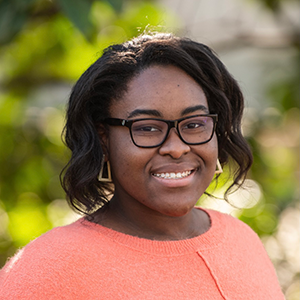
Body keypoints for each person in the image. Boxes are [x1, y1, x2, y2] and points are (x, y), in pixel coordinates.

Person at [0, 33, 284, 299]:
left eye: (195, 124)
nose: (176, 147)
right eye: (147, 128)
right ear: (104, 139)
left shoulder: (241, 240)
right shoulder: (48, 272)